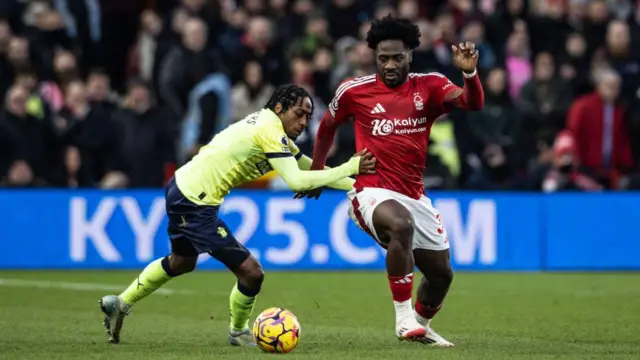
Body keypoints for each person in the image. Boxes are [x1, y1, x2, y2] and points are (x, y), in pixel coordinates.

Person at [98, 84, 376, 345]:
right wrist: (351, 166)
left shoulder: (272, 129)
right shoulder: (270, 130)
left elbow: (314, 172)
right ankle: (239, 332)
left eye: (308, 117)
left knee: (182, 262)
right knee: (252, 273)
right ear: (280, 108)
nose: (304, 123)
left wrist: (362, 186)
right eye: (299, 113)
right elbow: (297, 181)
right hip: (194, 201)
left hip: (183, 189)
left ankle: (120, 304)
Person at [299, 16, 484, 345]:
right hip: (369, 192)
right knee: (400, 225)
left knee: (441, 275)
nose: (390, 65)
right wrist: (316, 173)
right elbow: (326, 127)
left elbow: (473, 103)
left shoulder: (430, 86)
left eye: (397, 57)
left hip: (413, 194)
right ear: (374, 56)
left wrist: (469, 73)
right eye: (383, 58)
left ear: (410, 54)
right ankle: (403, 318)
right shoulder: (354, 91)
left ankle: (420, 326)